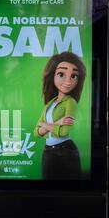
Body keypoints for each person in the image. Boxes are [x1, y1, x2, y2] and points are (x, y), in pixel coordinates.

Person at [34, 52, 86, 180]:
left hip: (66, 151)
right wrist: (57, 123)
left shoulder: (71, 102)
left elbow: (63, 132)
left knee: (69, 190)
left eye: (74, 76)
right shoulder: (50, 104)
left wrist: (45, 125)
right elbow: (36, 132)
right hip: (48, 151)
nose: (68, 81)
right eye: (61, 74)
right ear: (52, 76)